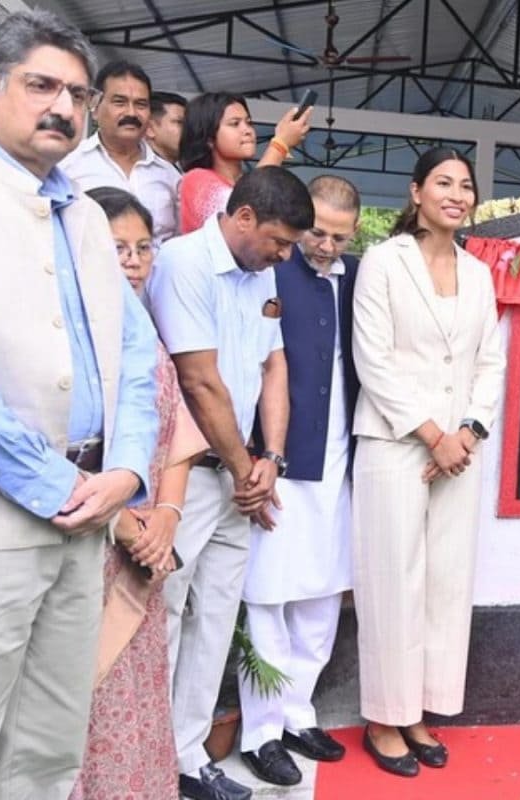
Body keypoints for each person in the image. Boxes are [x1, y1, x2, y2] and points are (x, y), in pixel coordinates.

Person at [0, 10, 159, 797]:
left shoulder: (85, 211)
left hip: (88, 515)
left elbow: (134, 356)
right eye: (42, 85)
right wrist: (57, 488)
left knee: (49, 748)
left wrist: (124, 471)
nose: (62, 107)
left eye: (76, 94)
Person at [146, 166, 314, 800]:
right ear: (244, 217)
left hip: (239, 478)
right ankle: (150, 758)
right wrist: (250, 475)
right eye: (279, 240)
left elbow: (274, 363)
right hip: (183, 478)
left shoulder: (260, 268)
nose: (285, 254)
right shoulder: (183, 263)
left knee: (214, 622)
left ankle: (188, 760)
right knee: (162, 618)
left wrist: (269, 456)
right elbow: (199, 381)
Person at [351, 146, 506, 778]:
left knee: (446, 582)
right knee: (394, 582)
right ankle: (383, 717)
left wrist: (466, 433)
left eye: (465, 186)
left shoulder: (479, 272)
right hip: (395, 446)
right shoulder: (384, 265)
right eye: (443, 182)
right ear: (416, 192)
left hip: (458, 455)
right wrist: (431, 433)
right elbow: (373, 360)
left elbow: (490, 361)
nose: (456, 194)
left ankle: (420, 710)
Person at [71, 187, 207, 800]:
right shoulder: (68, 328)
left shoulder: (145, 328)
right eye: (115, 246)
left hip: (146, 551)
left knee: (137, 694)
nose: (130, 260)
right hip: (83, 544)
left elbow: (176, 431)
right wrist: (127, 526)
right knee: (76, 702)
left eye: (142, 247)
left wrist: (168, 520)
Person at [237, 175, 361, 786]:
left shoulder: (360, 276)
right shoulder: (269, 268)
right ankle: (260, 733)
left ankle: (297, 713)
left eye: (339, 236)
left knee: (320, 602)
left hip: (341, 464)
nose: (325, 247)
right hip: (281, 461)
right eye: (317, 232)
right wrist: (261, 457)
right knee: (268, 599)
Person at [60, 61, 181, 243]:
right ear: (94, 108)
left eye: (141, 104)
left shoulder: (170, 176)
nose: (131, 113)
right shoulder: (68, 166)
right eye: (120, 102)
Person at [178, 92, 311, 234]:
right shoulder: (196, 180)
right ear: (209, 139)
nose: (247, 130)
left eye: (248, 122)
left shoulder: (242, 182)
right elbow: (240, 217)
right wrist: (280, 144)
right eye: (235, 124)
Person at [147, 90, 186, 166]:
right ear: (150, 129)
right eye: (179, 122)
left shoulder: (183, 168)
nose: (188, 129)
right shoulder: (140, 171)